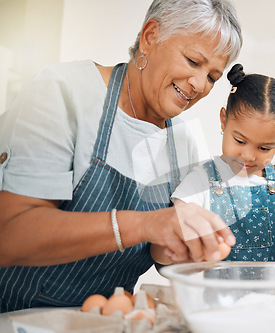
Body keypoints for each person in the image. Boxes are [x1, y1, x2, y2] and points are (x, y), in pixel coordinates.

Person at [0, 0, 242, 313]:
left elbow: (162, 254)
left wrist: (193, 249)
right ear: (150, 36)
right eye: (193, 61)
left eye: (212, 77)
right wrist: (145, 224)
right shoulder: (64, 92)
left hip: (109, 320)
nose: (199, 85)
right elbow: (10, 234)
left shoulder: (183, 142)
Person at [152, 64, 275, 264]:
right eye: (240, 141)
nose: (248, 156)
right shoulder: (201, 180)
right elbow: (161, 252)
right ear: (223, 120)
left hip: (271, 294)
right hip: (217, 295)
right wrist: (174, 249)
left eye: (264, 148)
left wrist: (270, 295)